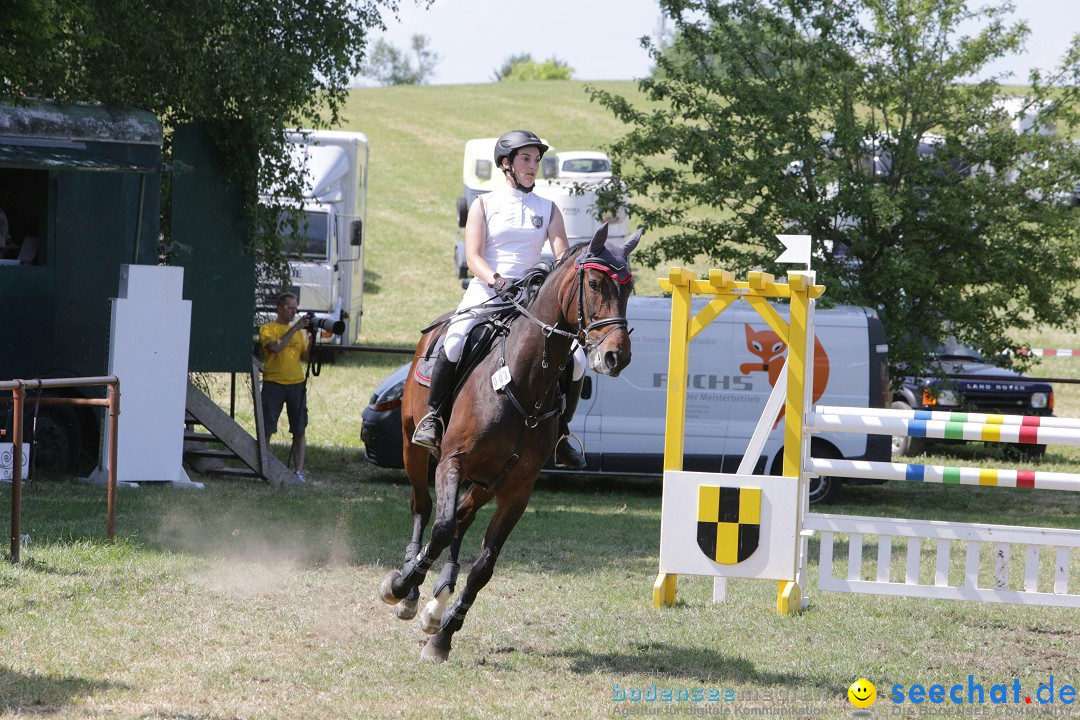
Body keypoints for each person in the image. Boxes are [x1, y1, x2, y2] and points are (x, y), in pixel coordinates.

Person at [412, 129, 588, 469]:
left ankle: (562, 432)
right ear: (506, 163)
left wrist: (559, 270)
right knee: (454, 341)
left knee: (578, 358)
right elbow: (473, 256)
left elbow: (562, 255)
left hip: (530, 297)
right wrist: (496, 280)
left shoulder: (548, 209)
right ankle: (433, 419)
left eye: (536, 160)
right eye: (526, 158)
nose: (533, 165)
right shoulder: (483, 204)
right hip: (487, 290)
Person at [260, 292, 313, 482]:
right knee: (267, 427)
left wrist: (312, 339)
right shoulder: (267, 329)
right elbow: (276, 347)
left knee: (299, 429)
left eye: (295, 308)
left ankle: (298, 471)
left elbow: (305, 357)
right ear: (280, 308)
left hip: (296, 384)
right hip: (274, 383)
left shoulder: (299, 332)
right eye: (290, 308)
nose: (293, 311)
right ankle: (264, 468)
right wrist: (296, 328)